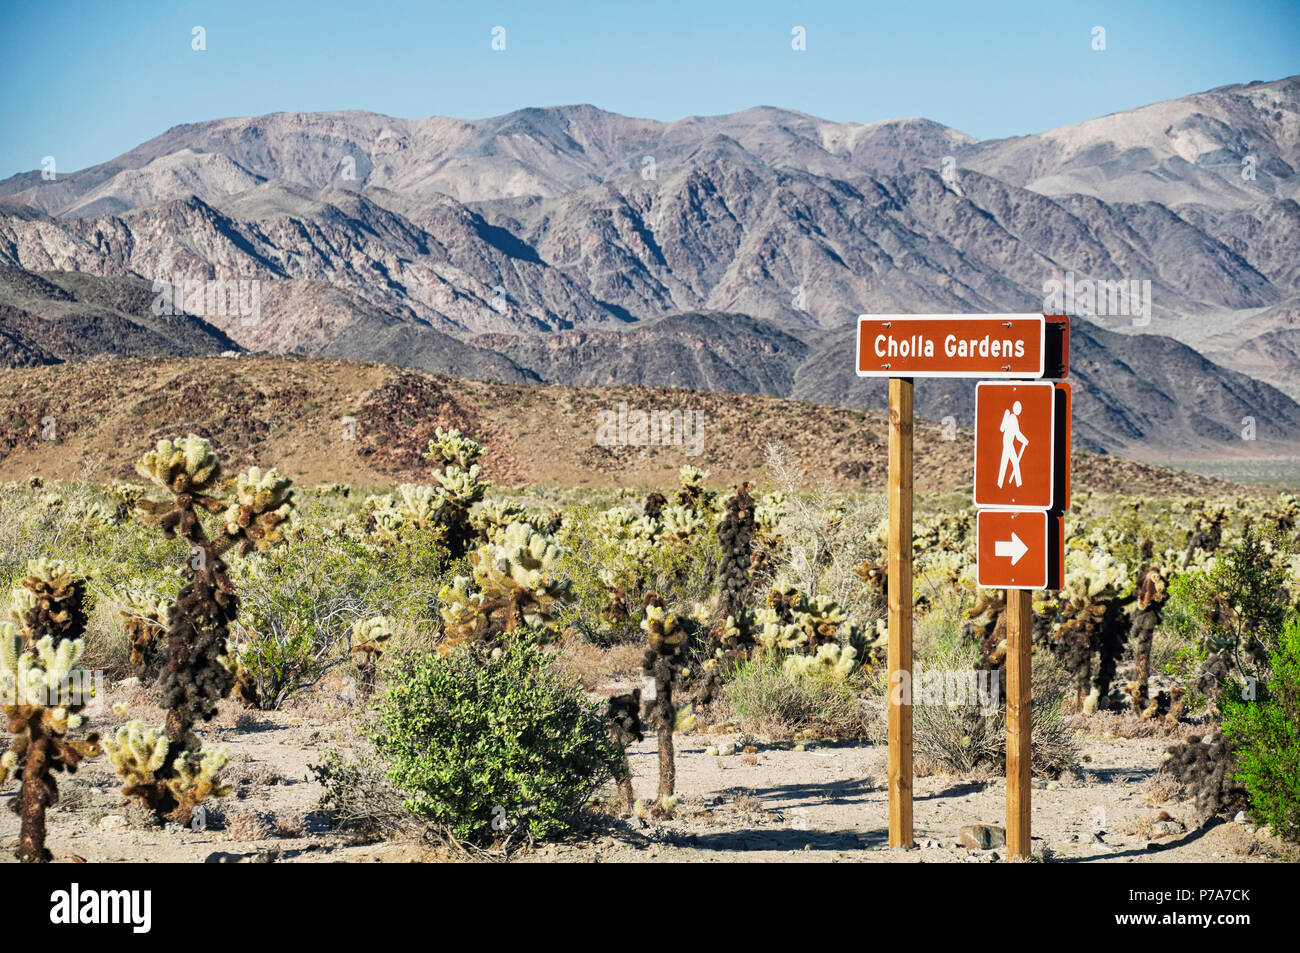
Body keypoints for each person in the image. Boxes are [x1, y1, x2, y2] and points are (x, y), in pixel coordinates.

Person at [997, 400, 1028, 488]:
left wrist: (1024, 440)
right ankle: (1019, 485)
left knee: (1005, 464)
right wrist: (1024, 440)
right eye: (1018, 408)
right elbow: (1017, 434)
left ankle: (1000, 485)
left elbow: (1016, 434)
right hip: (1008, 444)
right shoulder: (1013, 418)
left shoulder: (1012, 418)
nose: (1019, 410)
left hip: (1007, 443)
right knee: (1014, 463)